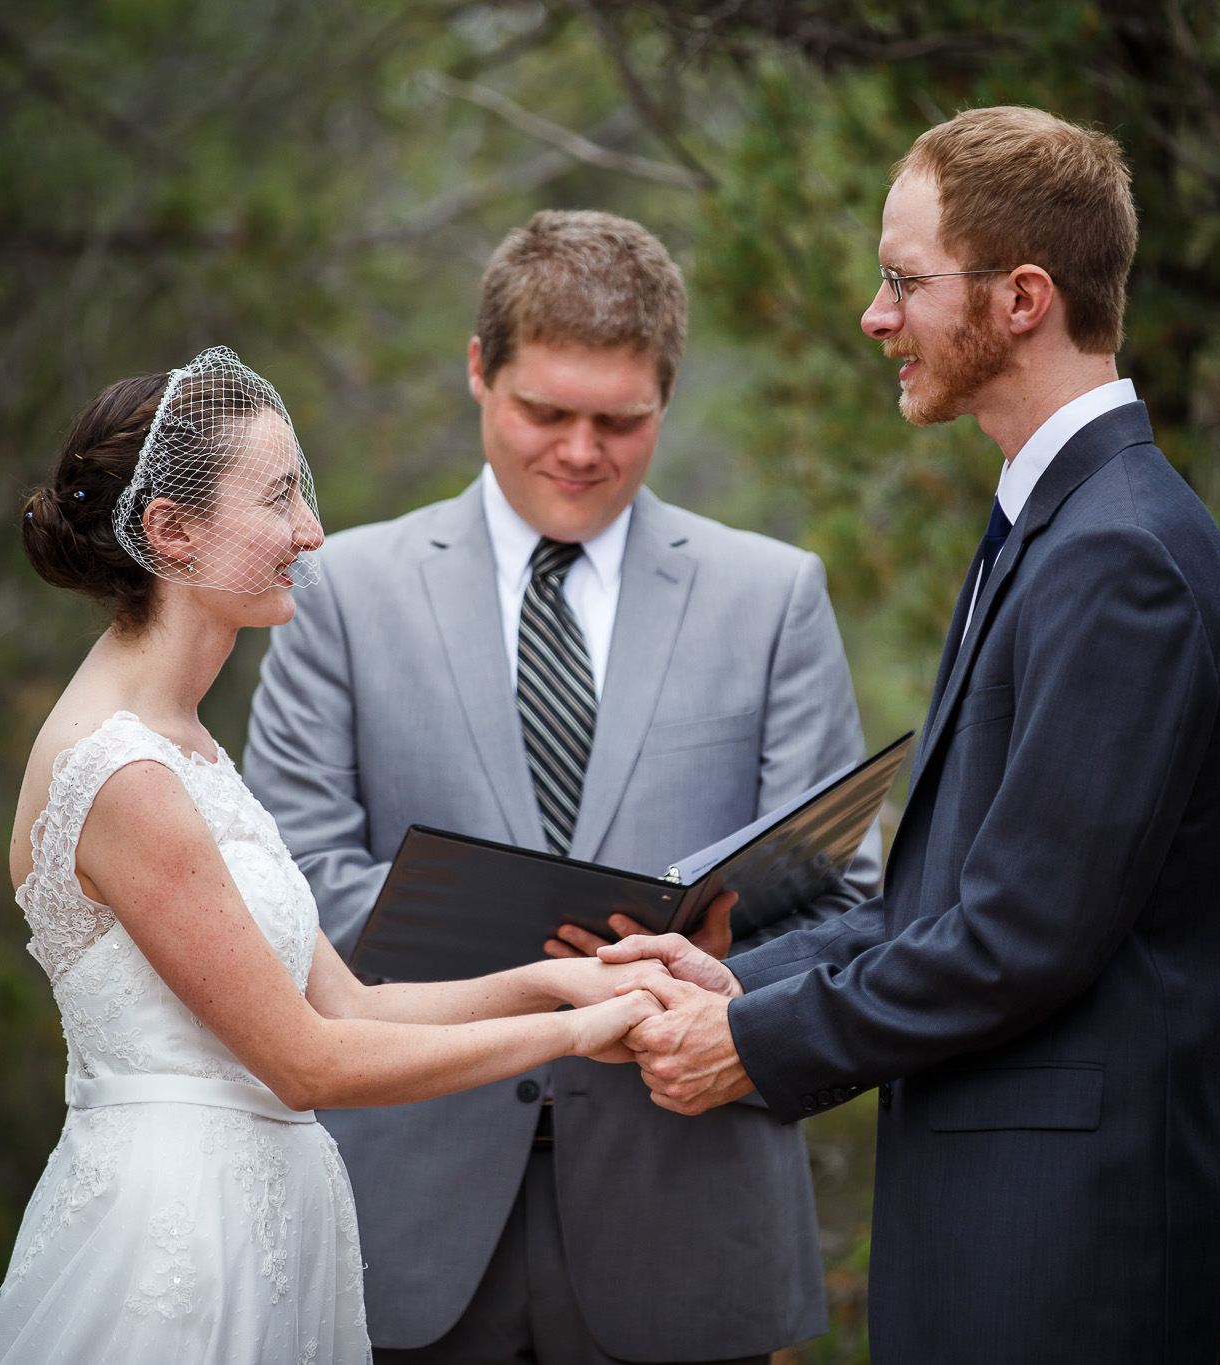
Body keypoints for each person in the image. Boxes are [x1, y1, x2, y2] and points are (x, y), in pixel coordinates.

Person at [603, 107, 1220, 1361]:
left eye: (904, 280)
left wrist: (748, 1046)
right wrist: (738, 978)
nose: (872, 314)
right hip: (999, 1228)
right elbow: (952, 900)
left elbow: (1018, 938)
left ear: (1022, 297)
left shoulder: (1119, 554)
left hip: (1062, 1251)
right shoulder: (1050, 525)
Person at [243, 210, 880, 1364]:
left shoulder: (772, 596)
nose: (581, 451)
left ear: (665, 399)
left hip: (686, 1211)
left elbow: (844, 903)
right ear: (479, 371)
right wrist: (551, 973)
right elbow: (290, 887)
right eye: (546, 412)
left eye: (619, 421)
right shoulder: (340, 594)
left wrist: (695, 980)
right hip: (404, 1212)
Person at [0, 347, 667, 1365]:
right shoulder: (123, 774)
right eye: (280, 497)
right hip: (181, 1237)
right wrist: (572, 1035)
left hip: (264, 1218)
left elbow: (349, 1005)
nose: (312, 531)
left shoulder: (188, 744)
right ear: (171, 530)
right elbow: (306, 1062)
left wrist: (558, 981)